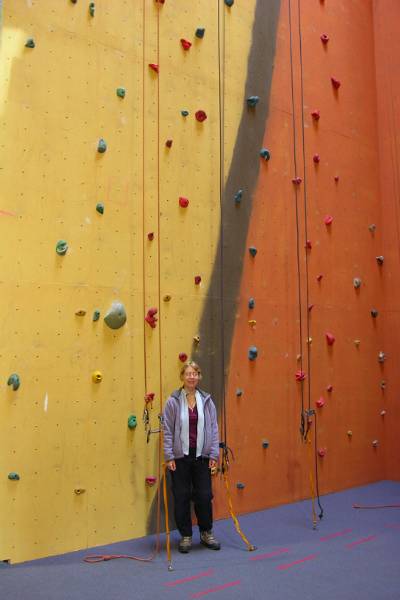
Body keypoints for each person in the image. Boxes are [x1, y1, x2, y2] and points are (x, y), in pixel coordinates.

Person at [163, 360, 221, 553]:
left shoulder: (206, 400)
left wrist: (213, 454)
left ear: (198, 377)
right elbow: (167, 430)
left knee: (204, 496)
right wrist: (169, 456)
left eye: (195, 374)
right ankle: (186, 536)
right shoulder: (173, 401)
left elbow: (213, 428)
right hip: (180, 459)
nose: (191, 377)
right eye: (188, 373)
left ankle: (206, 533)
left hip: (202, 458)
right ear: (182, 377)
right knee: (181, 497)